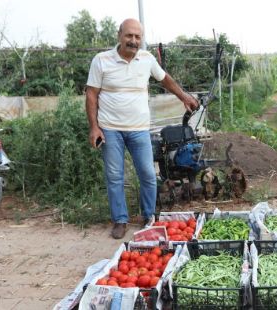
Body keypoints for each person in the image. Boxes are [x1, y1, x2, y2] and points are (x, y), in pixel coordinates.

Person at [85, 18, 199, 239]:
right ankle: (120, 220)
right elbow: (91, 94)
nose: (133, 41)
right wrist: (94, 127)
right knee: (115, 176)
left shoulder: (146, 59)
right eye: (129, 35)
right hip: (110, 129)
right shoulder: (102, 60)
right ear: (119, 35)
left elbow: (165, 79)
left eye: (138, 37)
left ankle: (148, 216)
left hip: (139, 129)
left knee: (147, 174)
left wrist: (183, 96)